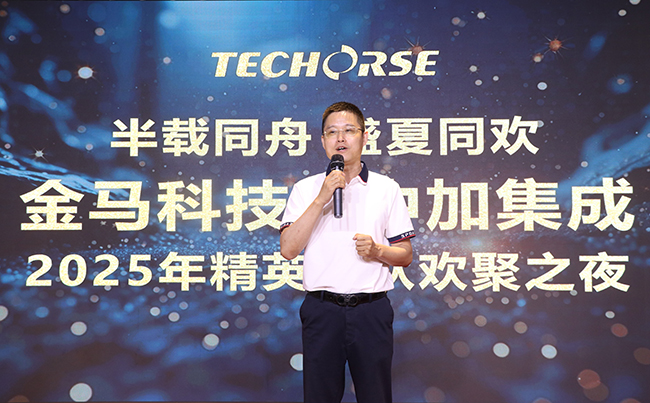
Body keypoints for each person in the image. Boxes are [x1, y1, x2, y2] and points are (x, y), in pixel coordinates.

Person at [279, 101, 415, 403]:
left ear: (364, 137)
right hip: (322, 310)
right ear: (323, 141)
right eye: (332, 132)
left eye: (349, 131)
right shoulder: (305, 189)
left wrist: (377, 250)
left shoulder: (386, 188)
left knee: (376, 396)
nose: (340, 139)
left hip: (371, 310)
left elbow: (405, 255)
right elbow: (288, 249)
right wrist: (322, 198)